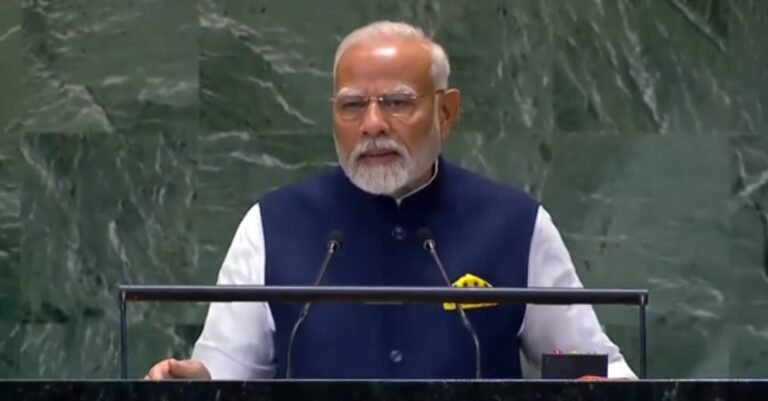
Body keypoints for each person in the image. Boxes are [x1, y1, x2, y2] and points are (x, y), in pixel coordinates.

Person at [145, 20, 636, 381]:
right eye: (353, 105)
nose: (373, 124)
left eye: (398, 102)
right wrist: (191, 382)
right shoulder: (272, 225)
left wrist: (594, 384)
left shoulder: (515, 225)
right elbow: (229, 370)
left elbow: (591, 368)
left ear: (446, 112)